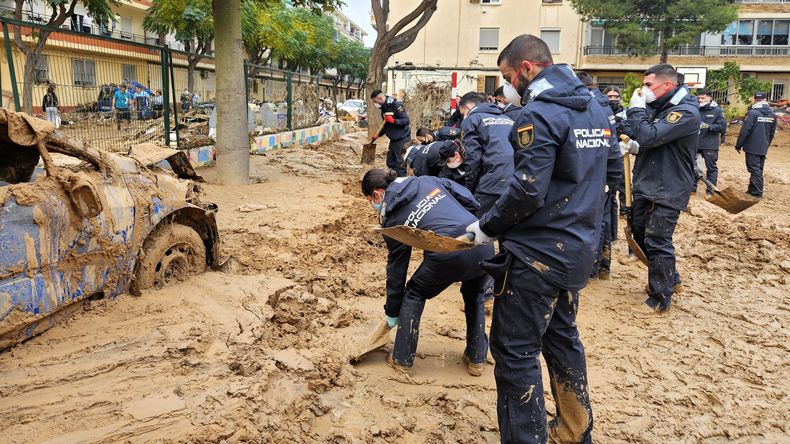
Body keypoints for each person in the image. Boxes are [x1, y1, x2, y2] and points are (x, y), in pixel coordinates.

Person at [464, 34, 608, 444]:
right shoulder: (595, 108)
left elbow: (528, 189)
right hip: (577, 248)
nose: (508, 87)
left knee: (514, 350)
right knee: (562, 339)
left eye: (509, 77)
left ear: (527, 69)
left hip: (536, 255)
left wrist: (487, 225)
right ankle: (573, 429)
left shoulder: (538, 115)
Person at [361, 169, 495, 376]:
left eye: (370, 200)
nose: (373, 205)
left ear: (377, 194)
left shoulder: (392, 222)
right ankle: (476, 358)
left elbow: (397, 267)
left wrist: (393, 312)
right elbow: (471, 201)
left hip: (448, 252)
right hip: (482, 243)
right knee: (475, 295)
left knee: (414, 292)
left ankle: (402, 359)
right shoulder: (425, 180)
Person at [625, 63, 701, 312]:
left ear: (667, 85)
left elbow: (651, 135)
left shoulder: (685, 111)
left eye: (648, 85)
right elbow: (653, 142)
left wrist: (636, 112)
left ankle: (660, 297)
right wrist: (636, 148)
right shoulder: (660, 108)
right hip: (648, 181)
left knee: (658, 239)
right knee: (638, 231)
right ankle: (671, 278)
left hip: (669, 186)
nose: (643, 90)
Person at [577, 72, 623, 280]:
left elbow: (610, 144)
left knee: (593, 221)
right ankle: (602, 266)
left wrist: (609, 179)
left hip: (595, 173)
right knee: (602, 219)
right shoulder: (604, 105)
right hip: (604, 172)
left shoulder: (591, 106)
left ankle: (592, 268)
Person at [457, 91, 514, 215]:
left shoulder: (472, 120)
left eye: (462, 114)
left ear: (467, 107)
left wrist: (469, 189)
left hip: (493, 180)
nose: (463, 117)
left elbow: (473, 158)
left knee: (476, 222)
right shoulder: (508, 119)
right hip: (516, 180)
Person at [735, 92, 777, 198]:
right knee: (758, 168)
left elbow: (745, 130)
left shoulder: (753, 113)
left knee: (754, 169)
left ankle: (757, 192)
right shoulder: (772, 114)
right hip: (763, 146)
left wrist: (739, 144)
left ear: (755, 100)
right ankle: (751, 190)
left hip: (752, 146)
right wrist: (766, 144)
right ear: (765, 99)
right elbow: (772, 133)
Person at [605, 86, 632, 216]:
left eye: (616, 97)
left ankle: (625, 209)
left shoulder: (625, 114)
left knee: (623, 182)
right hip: (605, 153)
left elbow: (631, 132)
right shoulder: (600, 112)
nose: (613, 99)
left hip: (621, 153)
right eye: (609, 96)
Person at [370, 89, 411, 177]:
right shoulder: (384, 108)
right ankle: (393, 179)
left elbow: (406, 121)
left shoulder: (396, 105)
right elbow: (385, 126)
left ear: (380, 98)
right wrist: (377, 135)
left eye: (375, 101)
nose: (375, 104)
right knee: (390, 162)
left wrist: (393, 121)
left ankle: (401, 183)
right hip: (393, 140)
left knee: (400, 164)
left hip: (402, 140)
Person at [696, 90, 727, 196]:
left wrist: (709, 126)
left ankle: (710, 192)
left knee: (711, 168)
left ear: (710, 98)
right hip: (695, 143)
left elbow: (722, 127)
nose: (700, 100)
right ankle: (692, 189)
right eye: (699, 98)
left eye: (703, 98)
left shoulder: (717, 111)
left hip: (709, 144)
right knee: (692, 167)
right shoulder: (695, 109)